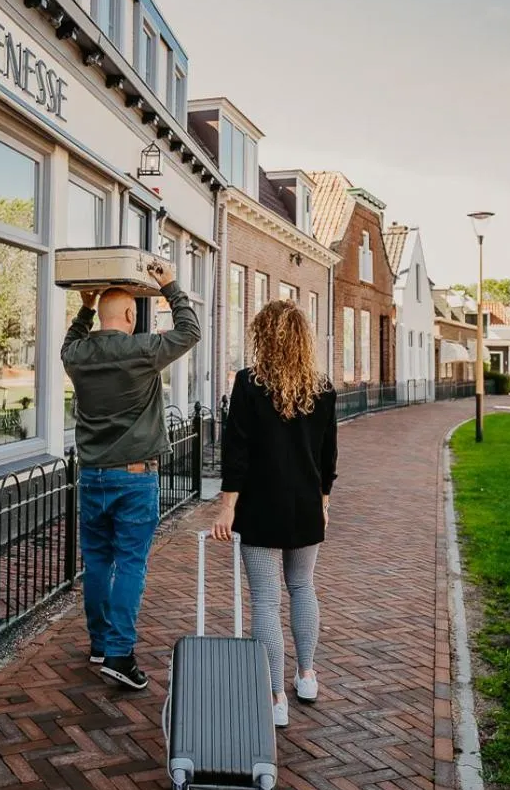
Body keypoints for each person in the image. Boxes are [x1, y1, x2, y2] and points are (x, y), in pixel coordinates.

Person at [62, 261, 201, 690]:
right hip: (135, 478)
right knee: (131, 565)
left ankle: (101, 644)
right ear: (129, 317)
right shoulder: (142, 350)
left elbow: (70, 341)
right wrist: (170, 284)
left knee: (99, 563)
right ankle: (120, 654)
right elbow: (190, 331)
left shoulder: (78, 357)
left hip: (93, 477)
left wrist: (84, 309)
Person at [212, 299, 337, 727]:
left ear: (262, 337)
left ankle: (275, 696)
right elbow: (328, 456)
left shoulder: (248, 385)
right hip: (304, 505)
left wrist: (226, 506)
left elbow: (237, 452)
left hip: (260, 505)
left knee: (265, 600)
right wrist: (323, 504)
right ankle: (307, 675)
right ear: (304, 339)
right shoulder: (322, 389)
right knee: (302, 587)